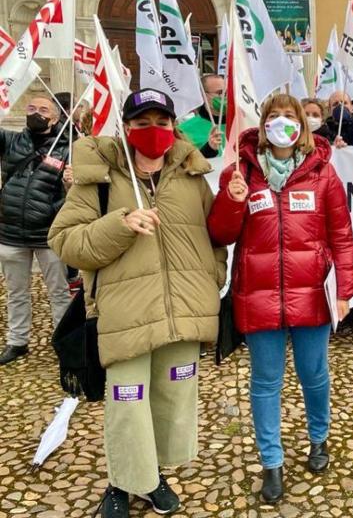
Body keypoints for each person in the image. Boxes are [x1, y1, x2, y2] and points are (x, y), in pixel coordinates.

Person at [48, 89, 226, 518]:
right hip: (125, 315)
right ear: (126, 128)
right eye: (142, 123)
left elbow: (213, 237)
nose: (153, 132)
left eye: (161, 123)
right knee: (128, 403)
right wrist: (121, 224)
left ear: (173, 128)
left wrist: (212, 276)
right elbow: (65, 241)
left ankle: (151, 477)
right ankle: (121, 482)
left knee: (172, 400)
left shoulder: (191, 177)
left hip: (182, 313)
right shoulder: (102, 179)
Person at [207, 93, 353, 502]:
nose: (283, 123)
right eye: (274, 116)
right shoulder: (240, 172)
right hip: (258, 295)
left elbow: (341, 236)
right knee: (265, 382)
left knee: (314, 375)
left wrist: (344, 290)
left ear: (303, 126)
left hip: (312, 294)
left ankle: (319, 437)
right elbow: (221, 235)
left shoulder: (322, 173)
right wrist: (231, 200)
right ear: (262, 123)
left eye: (290, 117)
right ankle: (271, 462)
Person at [0, 93, 71, 365]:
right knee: (16, 292)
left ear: (55, 118)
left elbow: (76, 194)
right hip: (10, 233)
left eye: (43, 109)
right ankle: (17, 341)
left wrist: (58, 204)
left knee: (59, 292)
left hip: (48, 236)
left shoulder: (68, 149)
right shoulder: (11, 141)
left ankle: (63, 342)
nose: (36, 113)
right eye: (31, 107)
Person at [179, 74, 226, 158]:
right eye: (220, 93)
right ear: (203, 96)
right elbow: (185, 164)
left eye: (227, 92)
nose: (225, 97)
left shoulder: (241, 123)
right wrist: (209, 149)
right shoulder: (183, 130)